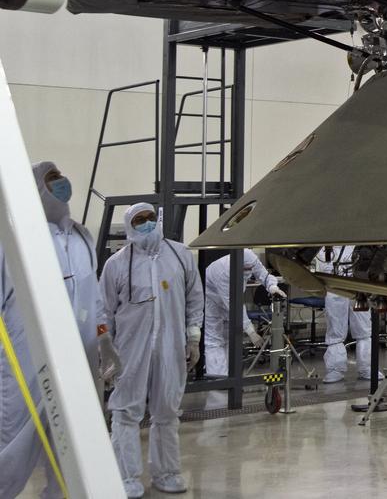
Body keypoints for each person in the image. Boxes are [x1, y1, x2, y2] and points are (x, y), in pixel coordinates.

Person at [0, 162, 122, 499]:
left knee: (76, 457)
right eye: (51, 179)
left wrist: (104, 339)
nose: (61, 183)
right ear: (35, 188)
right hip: (24, 371)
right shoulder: (12, 239)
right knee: (11, 458)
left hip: (77, 368)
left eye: (61, 177)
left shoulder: (81, 237)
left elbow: (94, 300)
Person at [99, 203, 203, 497]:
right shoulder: (117, 263)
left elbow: (195, 298)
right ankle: (125, 478)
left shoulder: (180, 255)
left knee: (167, 410)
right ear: (129, 226)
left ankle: (166, 473)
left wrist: (193, 337)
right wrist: (106, 351)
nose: (145, 223)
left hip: (171, 347)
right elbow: (103, 311)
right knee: (125, 411)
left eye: (148, 218)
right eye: (138, 220)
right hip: (130, 349)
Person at [202, 249, 282, 378]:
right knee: (214, 340)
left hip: (231, 297)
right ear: (238, 265)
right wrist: (251, 332)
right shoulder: (223, 272)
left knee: (230, 338)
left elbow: (264, 275)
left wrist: (272, 287)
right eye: (245, 269)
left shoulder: (251, 260)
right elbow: (235, 305)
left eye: (249, 269)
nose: (248, 272)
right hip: (212, 299)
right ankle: (217, 378)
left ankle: (230, 377)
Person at [314, 246, 375, 383]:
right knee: (335, 328)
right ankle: (335, 368)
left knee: (364, 327)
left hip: (359, 282)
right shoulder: (325, 241)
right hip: (334, 283)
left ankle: (367, 367)